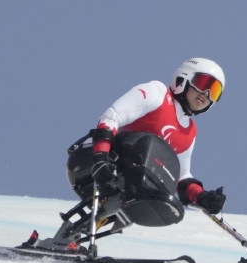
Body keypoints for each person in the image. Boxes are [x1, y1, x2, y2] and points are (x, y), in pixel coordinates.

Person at [88, 57, 227, 216]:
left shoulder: (189, 132)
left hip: (134, 183)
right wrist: (100, 156)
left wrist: (201, 196)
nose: (206, 94)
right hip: (99, 161)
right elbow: (111, 117)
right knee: (149, 144)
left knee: (162, 178)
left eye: (214, 92)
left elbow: (179, 175)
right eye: (203, 84)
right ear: (185, 78)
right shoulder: (157, 93)